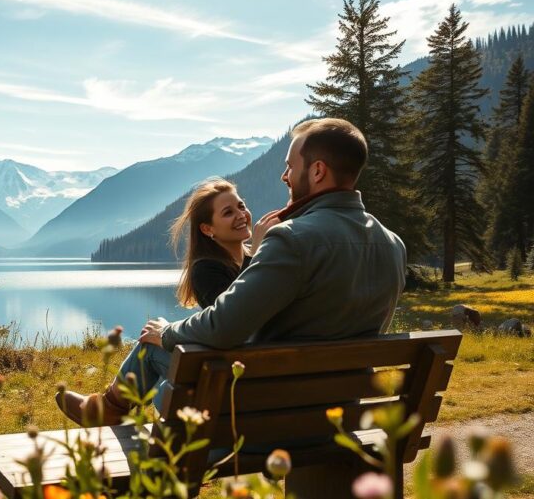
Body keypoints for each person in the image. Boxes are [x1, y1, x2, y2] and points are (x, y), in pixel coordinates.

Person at [56, 117, 407, 427]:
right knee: (172, 379)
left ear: (317, 171)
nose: (284, 176)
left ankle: (108, 409)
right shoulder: (392, 245)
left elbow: (222, 326)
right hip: (341, 416)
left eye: (289, 166)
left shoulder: (291, 239)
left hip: (269, 420)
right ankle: (109, 408)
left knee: (162, 363)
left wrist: (166, 333)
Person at [56, 177, 277, 425]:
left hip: (236, 377)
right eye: (228, 212)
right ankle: (111, 406)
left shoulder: (249, 261)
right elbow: (232, 314)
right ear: (207, 229)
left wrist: (258, 255)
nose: (241, 214)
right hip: (253, 374)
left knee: (150, 344)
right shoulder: (209, 269)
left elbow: (232, 322)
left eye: (241, 206)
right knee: (156, 335)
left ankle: (110, 407)